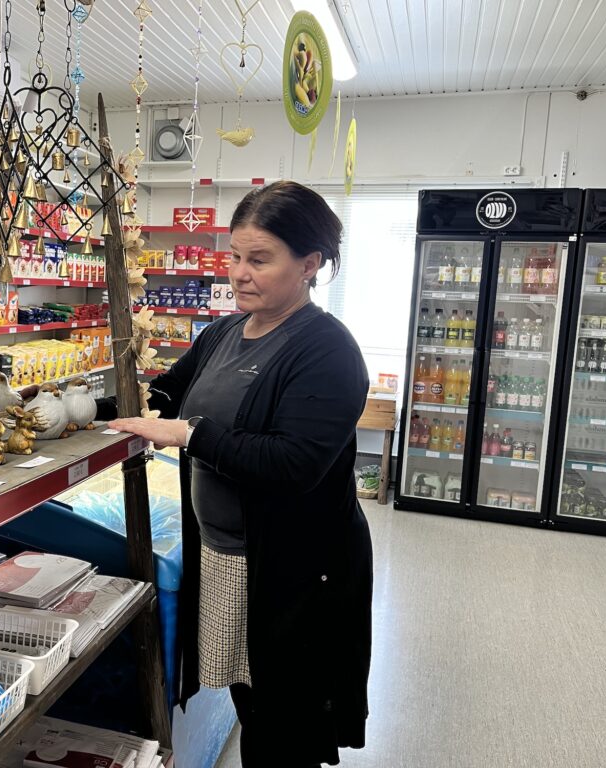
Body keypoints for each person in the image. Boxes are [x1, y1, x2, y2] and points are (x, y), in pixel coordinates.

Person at [101, 181, 372, 766]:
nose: (239, 274)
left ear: (310, 265)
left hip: (294, 571)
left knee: (287, 724)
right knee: (255, 706)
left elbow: (294, 464)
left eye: (259, 260)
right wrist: (89, 408)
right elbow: (165, 396)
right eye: (234, 257)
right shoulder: (223, 332)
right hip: (226, 559)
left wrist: (193, 435)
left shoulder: (328, 350)